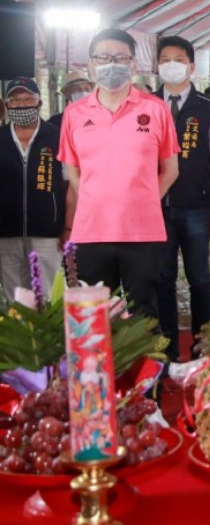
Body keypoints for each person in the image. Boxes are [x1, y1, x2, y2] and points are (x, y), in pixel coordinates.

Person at [58, 28, 180, 319]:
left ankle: (151, 366)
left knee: (144, 313)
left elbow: (171, 170)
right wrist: (94, 196)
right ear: (90, 64)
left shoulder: (156, 109)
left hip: (142, 231)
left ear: (133, 64)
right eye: (103, 56)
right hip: (91, 232)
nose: (111, 63)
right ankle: (98, 367)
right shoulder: (74, 113)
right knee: (96, 317)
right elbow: (73, 171)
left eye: (120, 57)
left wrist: (145, 199)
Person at [153, 37, 210, 361]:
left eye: (178, 58)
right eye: (166, 59)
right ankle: (167, 352)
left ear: (191, 66)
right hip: (156, 208)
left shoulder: (209, 108)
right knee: (163, 280)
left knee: (199, 279)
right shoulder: (148, 106)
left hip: (197, 207)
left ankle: (203, 349)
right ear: (157, 66)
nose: (172, 64)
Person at [0, 78, 66, 300]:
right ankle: (23, 335)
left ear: (38, 102)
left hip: (47, 232)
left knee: (50, 296)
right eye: (15, 100)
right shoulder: (1, 138)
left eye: (28, 98)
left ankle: (51, 336)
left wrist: (66, 227)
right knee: (16, 298)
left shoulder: (57, 136)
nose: (22, 104)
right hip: (6, 233)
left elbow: (70, 184)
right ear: (7, 104)